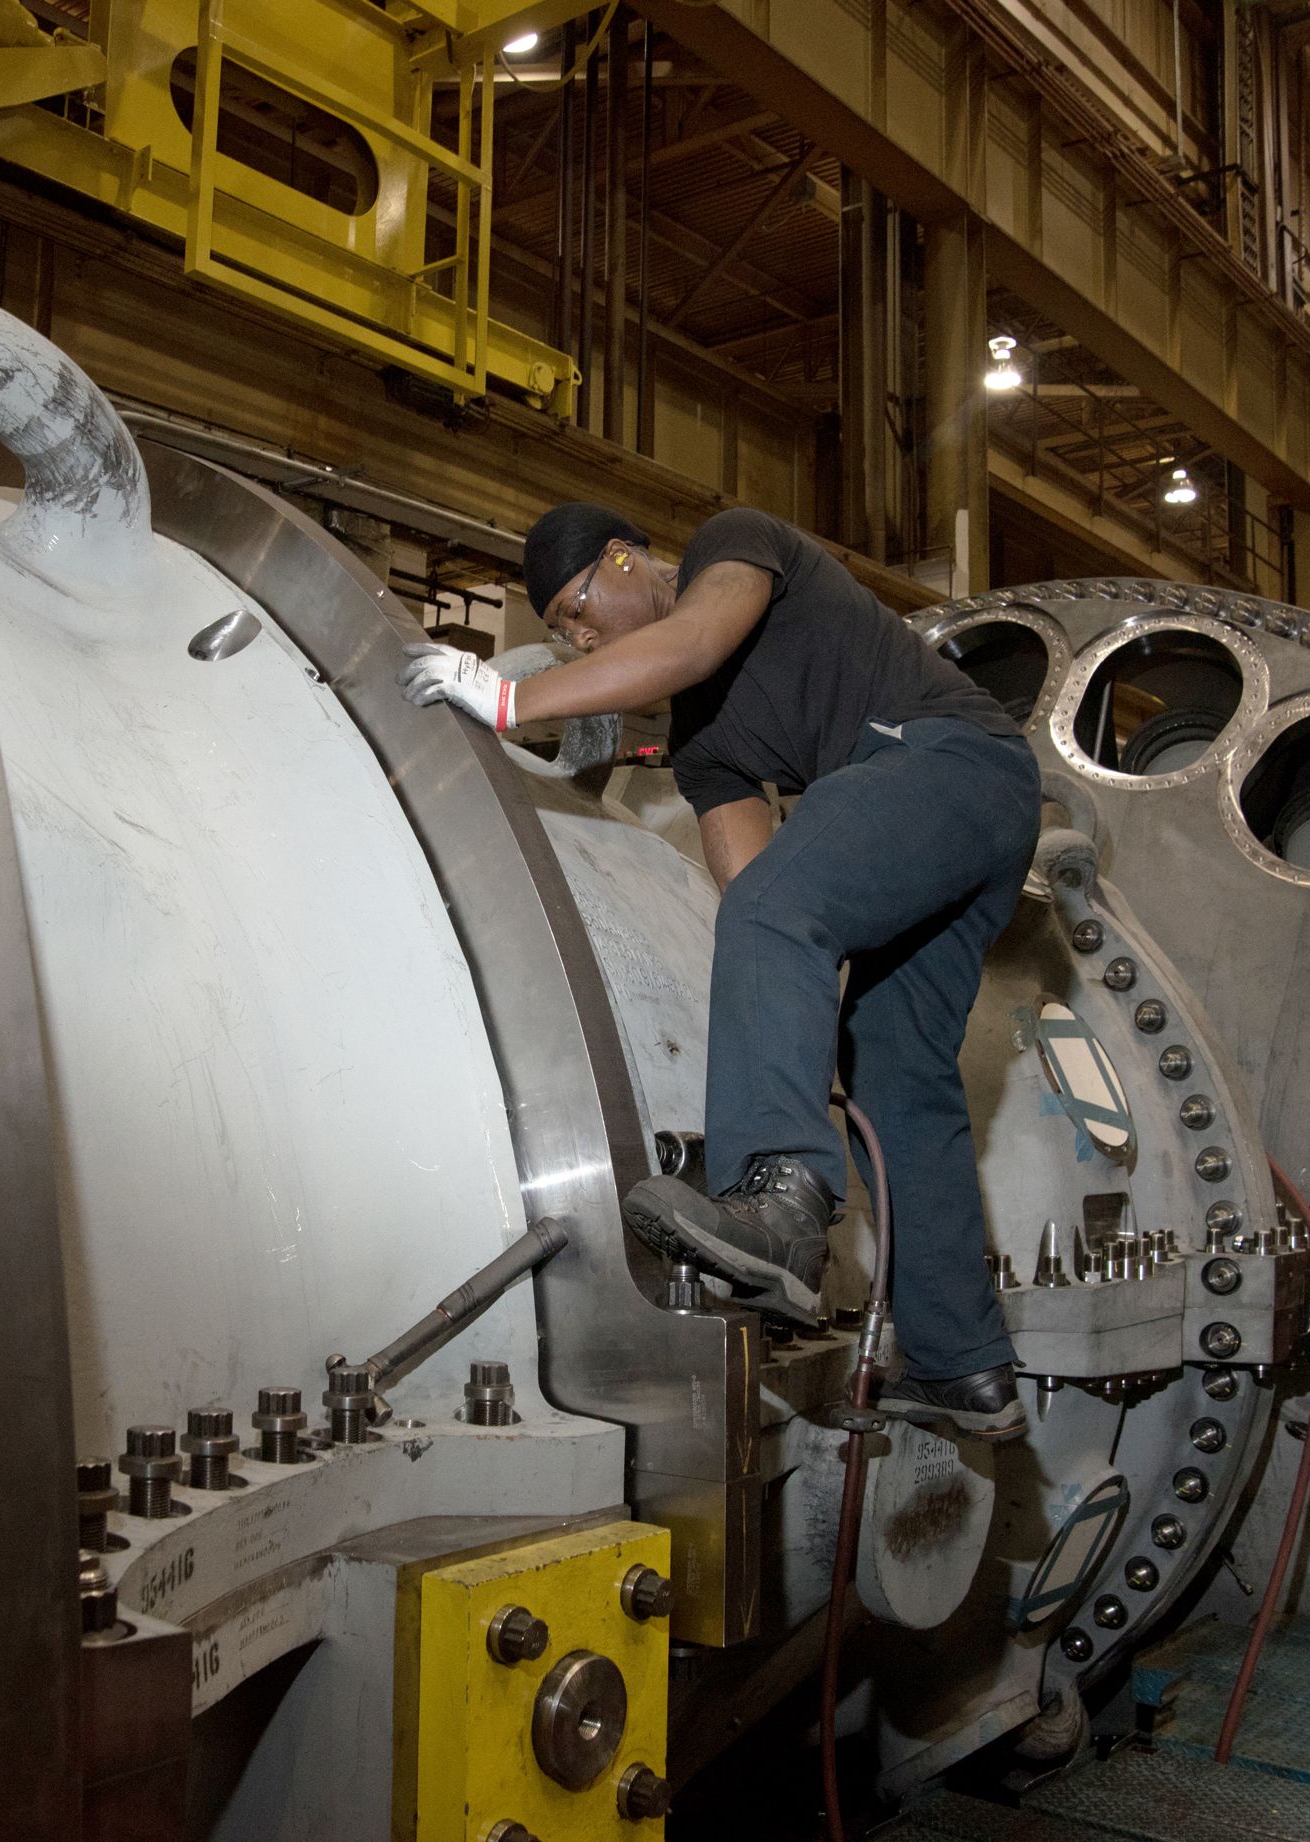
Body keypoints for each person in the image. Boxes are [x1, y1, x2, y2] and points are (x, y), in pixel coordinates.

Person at [399, 501, 1040, 1440]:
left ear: (628, 559)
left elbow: (694, 645)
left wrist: (508, 700)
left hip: (950, 762)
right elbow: (756, 890)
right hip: (967, 824)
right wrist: (789, 1036)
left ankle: (780, 1200)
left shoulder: (733, 547)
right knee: (895, 1075)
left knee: (782, 912)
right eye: (562, 634)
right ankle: (961, 1367)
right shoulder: (705, 749)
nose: (578, 640)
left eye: (580, 610)